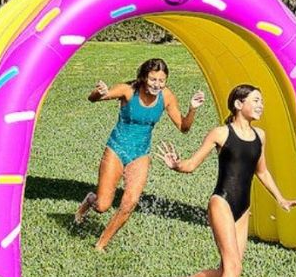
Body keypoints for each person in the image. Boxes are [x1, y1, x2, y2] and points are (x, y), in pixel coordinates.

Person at [157, 85, 296, 277]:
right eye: (256, 100)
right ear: (238, 104)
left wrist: (281, 199)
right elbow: (191, 165)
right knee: (233, 266)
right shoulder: (221, 133)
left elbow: (262, 172)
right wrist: (176, 164)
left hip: (243, 208)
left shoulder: (260, 135)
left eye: (262, 100)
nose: (261, 105)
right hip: (221, 203)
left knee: (230, 270)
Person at [74, 58, 205, 252]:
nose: (157, 85)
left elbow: (183, 127)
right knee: (102, 205)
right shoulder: (128, 90)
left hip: (141, 154)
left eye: (162, 81)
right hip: (117, 149)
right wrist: (99, 92)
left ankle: (100, 245)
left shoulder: (166, 96)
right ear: (144, 77)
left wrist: (193, 108)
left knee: (130, 202)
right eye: (153, 80)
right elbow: (94, 98)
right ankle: (89, 200)